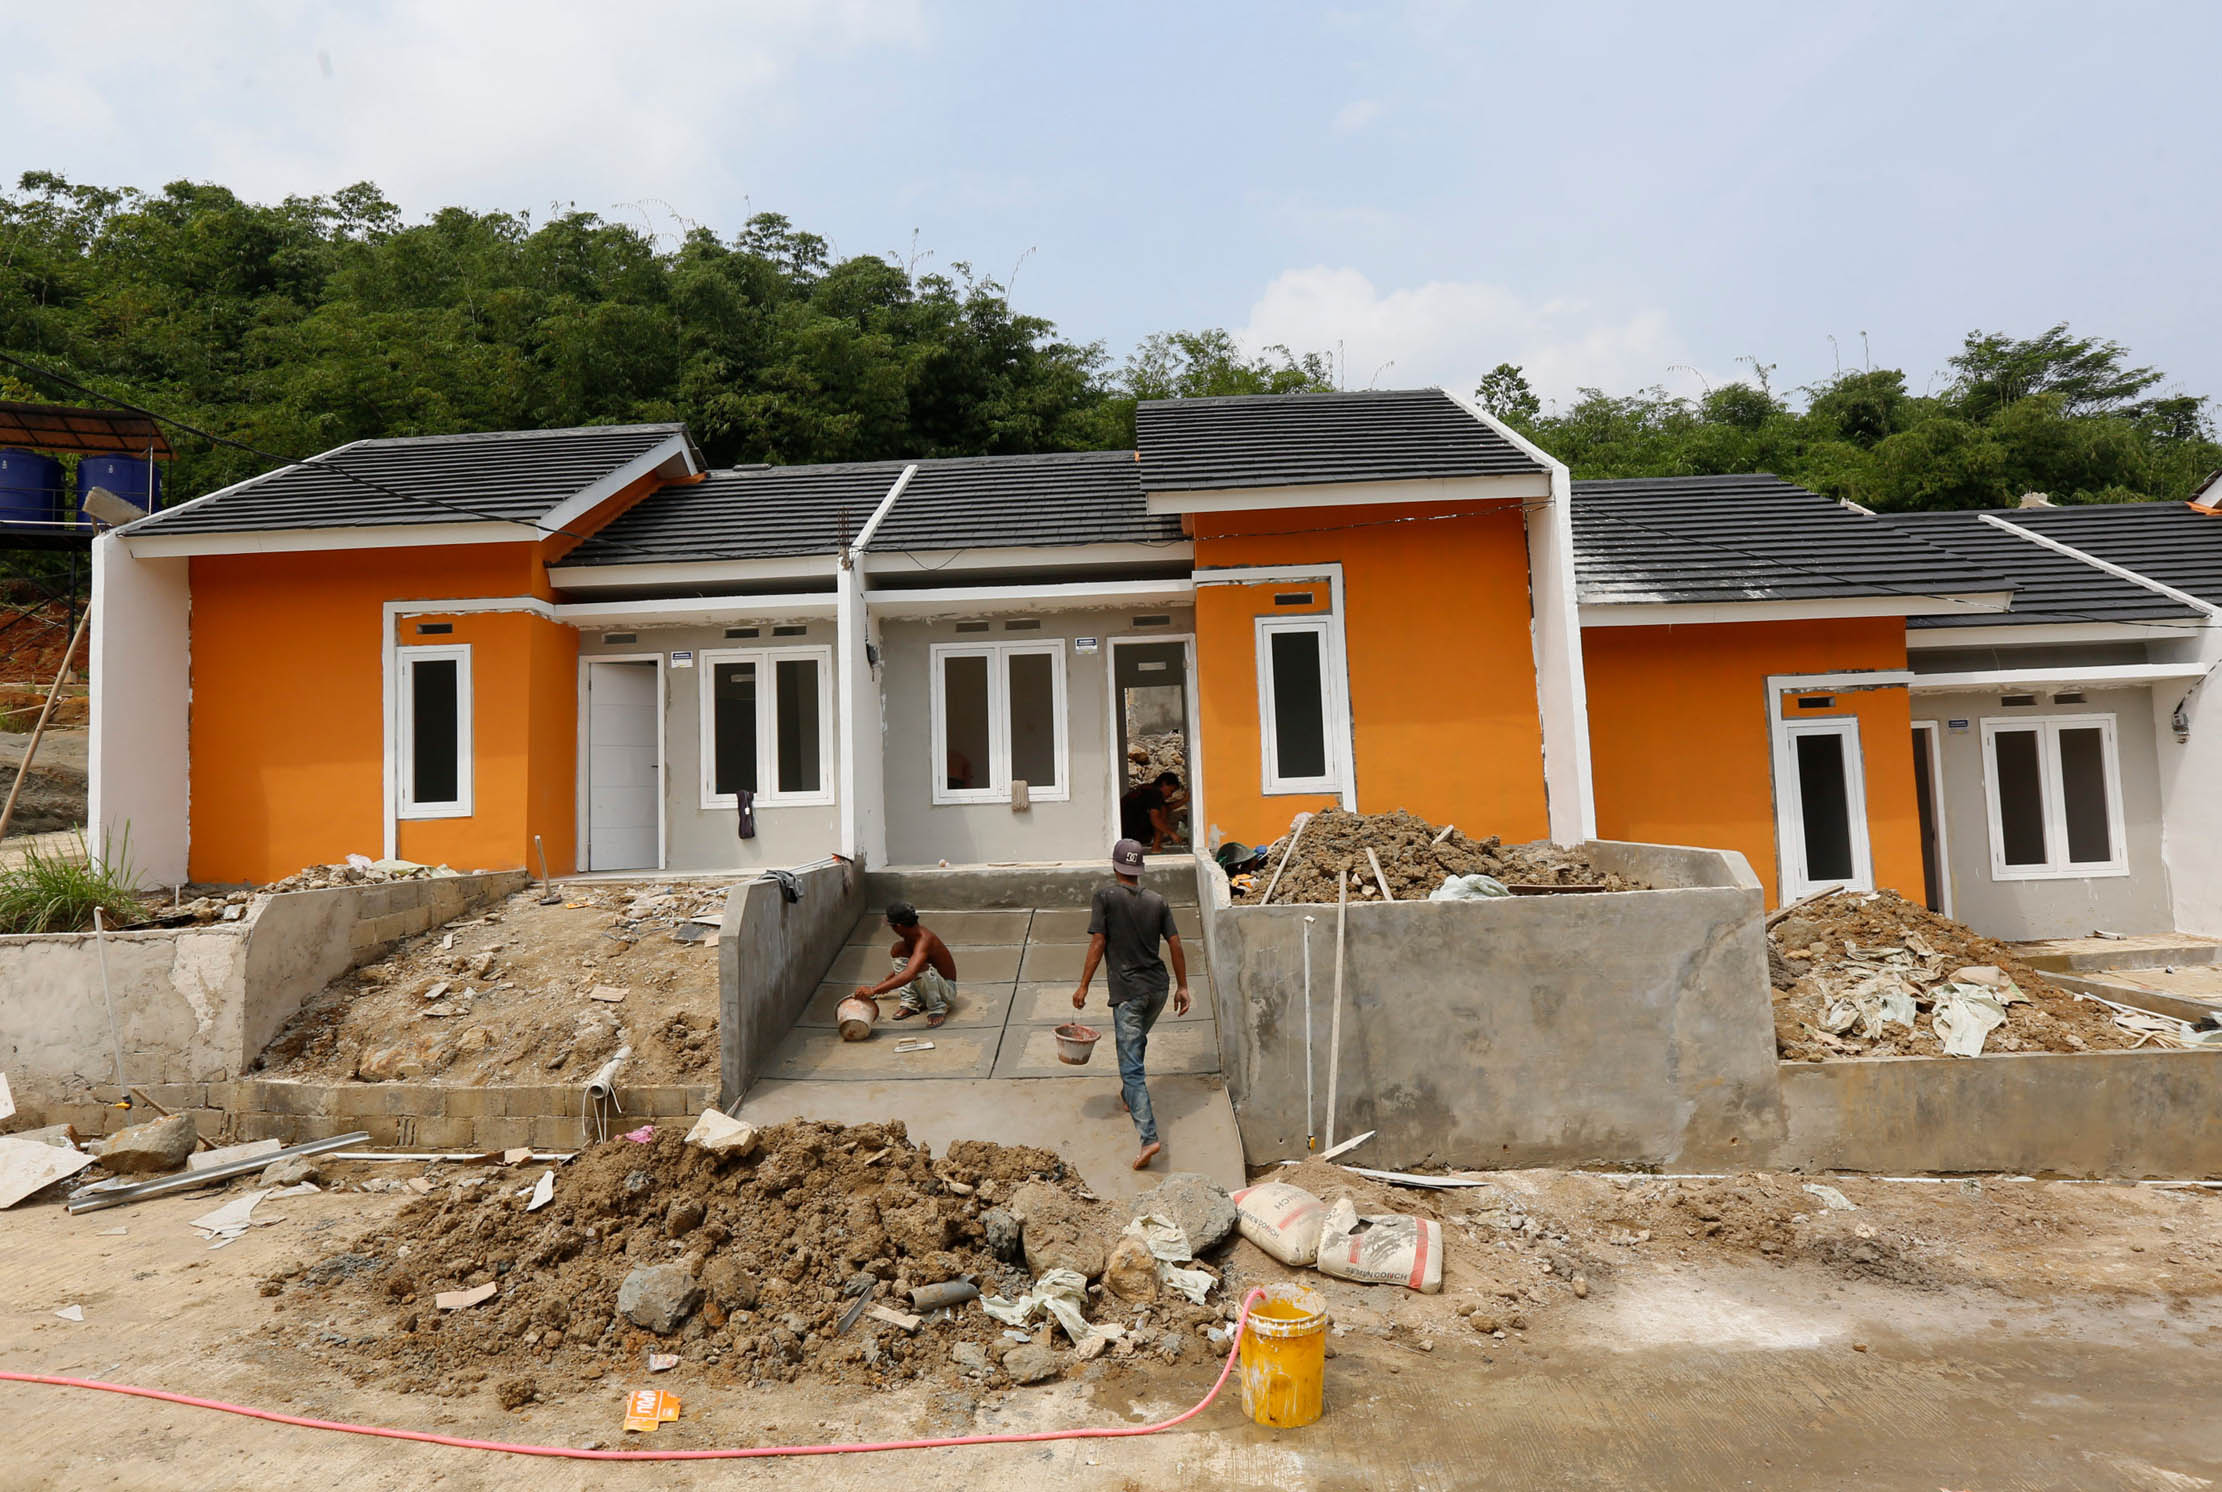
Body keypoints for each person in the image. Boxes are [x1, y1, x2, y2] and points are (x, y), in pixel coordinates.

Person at [1071, 837, 1191, 1169]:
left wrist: (1083, 986)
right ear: (1139, 869)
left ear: (1114, 866)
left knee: (1132, 1066)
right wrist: (1183, 986)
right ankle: (1128, 1095)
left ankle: (1149, 1138)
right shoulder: (1158, 901)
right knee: (1136, 1043)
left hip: (1129, 992)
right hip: (1159, 989)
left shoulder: (1105, 897)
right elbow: (1177, 945)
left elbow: (1098, 943)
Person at [854, 903, 958, 1028]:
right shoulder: (910, 935)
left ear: (898, 926)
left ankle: (937, 1008)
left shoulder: (924, 940)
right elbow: (907, 967)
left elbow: (910, 973)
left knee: (920, 967)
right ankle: (910, 1003)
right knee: (898, 949)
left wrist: (873, 990)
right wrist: (882, 985)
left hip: (945, 991)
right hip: (928, 985)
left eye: (892, 926)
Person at [1119, 770, 1188, 852]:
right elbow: (1155, 819)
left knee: (1162, 809)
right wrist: (1172, 834)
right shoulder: (1155, 793)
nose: (1170, 795)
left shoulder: (1148, 789)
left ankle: (1155, 846)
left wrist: (1184, 800)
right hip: (1130, 832)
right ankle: (1156, 847)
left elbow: (1167, 807)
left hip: (1122, 831)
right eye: (1171, 791)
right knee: (1161, 813)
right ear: (1164, 783)